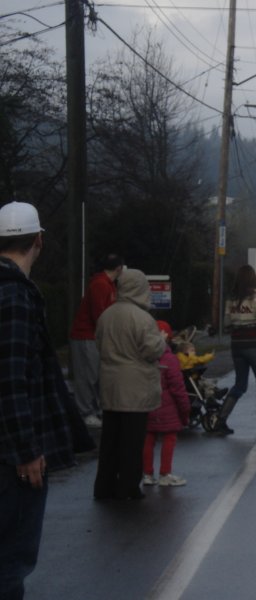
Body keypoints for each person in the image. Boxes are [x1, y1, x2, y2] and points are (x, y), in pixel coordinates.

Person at [0, 202, 91, 598]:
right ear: (39, 241)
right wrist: (27, 450)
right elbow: (10, 379)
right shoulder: (16, 297)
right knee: (11, 561)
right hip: (10, 456)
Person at [93, 268, 165, 501]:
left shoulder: (107, 315)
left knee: (110, 440)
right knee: (132, 442)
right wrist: (163, 343)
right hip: (134, 386)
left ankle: (104, 487)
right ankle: (128, 488)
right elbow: (151, 350)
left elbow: (98, 343)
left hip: (110, 383)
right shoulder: (142, 318)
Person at [210, 264, 256, 436]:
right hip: (254, 343)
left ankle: (220, 420)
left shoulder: (232, 298)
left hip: (237, 344)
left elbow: (227, 322)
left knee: (240, 384)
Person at [68, 253, 124, 428]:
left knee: (95, 374)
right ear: (119, 269)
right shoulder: (101, 285)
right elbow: (99, 314)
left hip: (93, 335)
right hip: (87, 336)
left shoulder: (104, 284)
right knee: (87, 375)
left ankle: (93, 410)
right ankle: (85, 412)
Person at [142, 321, 190, 487]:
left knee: (148, 438)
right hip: (167, 407)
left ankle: (147, 474)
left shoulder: (143, 357)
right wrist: (185, 409)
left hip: (147, 404)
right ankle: (164, 473)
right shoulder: (170, 359)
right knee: (169, 438)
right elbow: (178, 388)